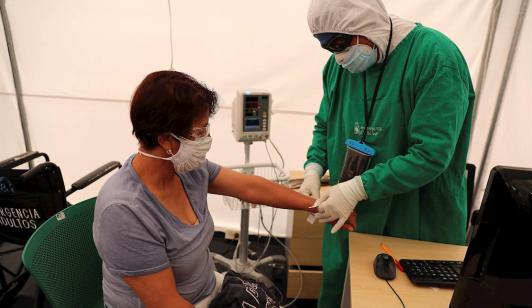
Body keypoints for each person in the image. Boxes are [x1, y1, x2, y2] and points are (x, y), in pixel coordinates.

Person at [92, 70, 351, 308]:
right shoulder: (125, 212)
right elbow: (166, 303)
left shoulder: (185, 169)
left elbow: (249, 187)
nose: (207, 139)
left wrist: (318, 205)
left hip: (206, 289)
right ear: (166, 140)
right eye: (200, 131)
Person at [299, 0, 475, 306]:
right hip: (352, 217)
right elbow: (326, 124)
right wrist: (314, 165)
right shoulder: (339, 67)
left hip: (416, 220)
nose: (339, 58)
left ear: (367, 24)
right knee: (341, 293)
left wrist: (358, 186)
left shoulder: (435, 58)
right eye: (329, 48)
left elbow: (431, 154)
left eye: (341, 44)